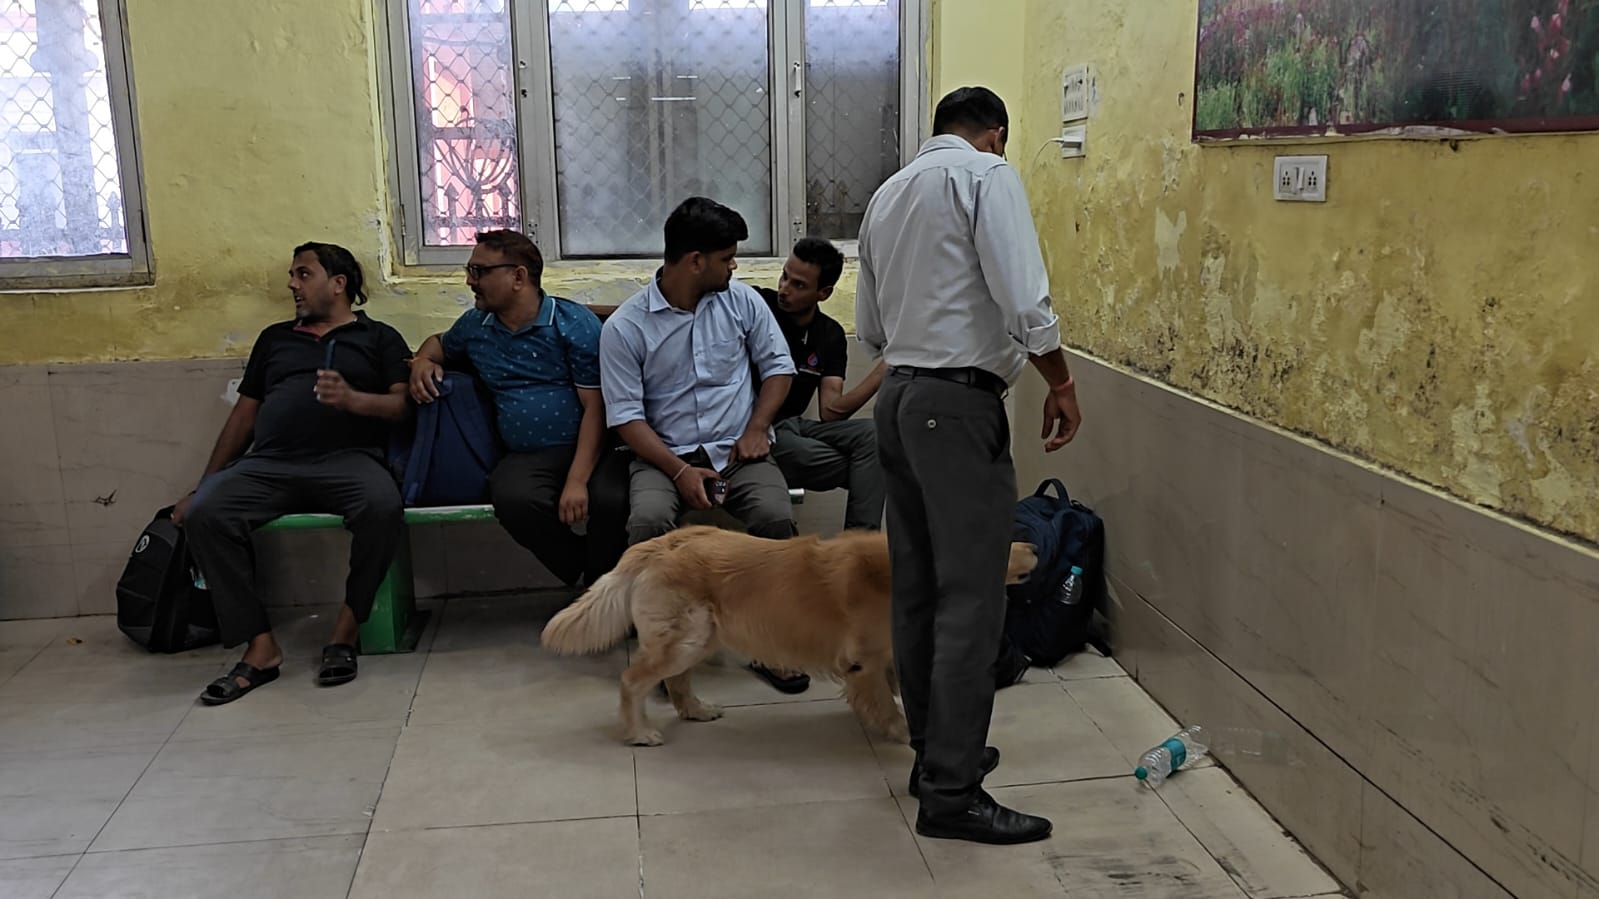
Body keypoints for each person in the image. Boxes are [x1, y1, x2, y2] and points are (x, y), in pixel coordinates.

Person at [856, 86, 1083, 845]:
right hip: (956, 406)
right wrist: (1059, 380)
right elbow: (1024, 298)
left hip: (898, 399)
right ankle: (952, 793)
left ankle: (934, 755)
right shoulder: (987, 175)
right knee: (972, 599)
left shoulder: (888, 193)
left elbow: (870, 326)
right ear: (995, 134)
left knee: (918, 590)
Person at [175, 242, 411, 705]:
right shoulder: (275, 339)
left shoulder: (378, 337)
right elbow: (244, 416)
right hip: (271, 464)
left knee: (382, 507)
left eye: (303, 274)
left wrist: (353, 400)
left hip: (348, 461)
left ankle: (345, 632)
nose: (292, 285)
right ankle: (260, 648)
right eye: (292, 275)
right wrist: (203, 485)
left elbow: (402, 407)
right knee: (207, 513)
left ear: (338, 284)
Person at [599, 196, 807, 694]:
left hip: (737, 451)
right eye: (727, 257)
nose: (734, 266)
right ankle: (661, 651)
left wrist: (756, 427)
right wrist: (678, 470)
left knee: (775, 518)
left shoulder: (743, 302)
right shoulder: (627, 326)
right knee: (649, 522)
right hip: (662, 456)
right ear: (695, 261)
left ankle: (771, 644)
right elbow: (626, 418)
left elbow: (779, 369)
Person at [408, 229, 629, 587]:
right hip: (528, 455)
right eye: (469, 270)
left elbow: (596, 407)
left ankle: (609, 591)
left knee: (612, 499)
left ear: (518, 277)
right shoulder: (475, 326)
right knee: (513, 498)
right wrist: (422, 360)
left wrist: (576, 480)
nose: (470, 281)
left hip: (593, 445)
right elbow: (440, 343)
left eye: (480, 271)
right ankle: (590, 577)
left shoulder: (571, 324)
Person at [760, 237, 885, 532]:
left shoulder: (830, 333)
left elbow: (830, 411)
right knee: (871, 466)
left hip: (796, 425)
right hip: (761, 428)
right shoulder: (759, 305)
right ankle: (860, 540)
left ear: (824, 293)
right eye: (784, 276)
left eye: (798, 285)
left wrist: (884, 369)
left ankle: (858, 542)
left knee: (877, 436)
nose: (784, 289)